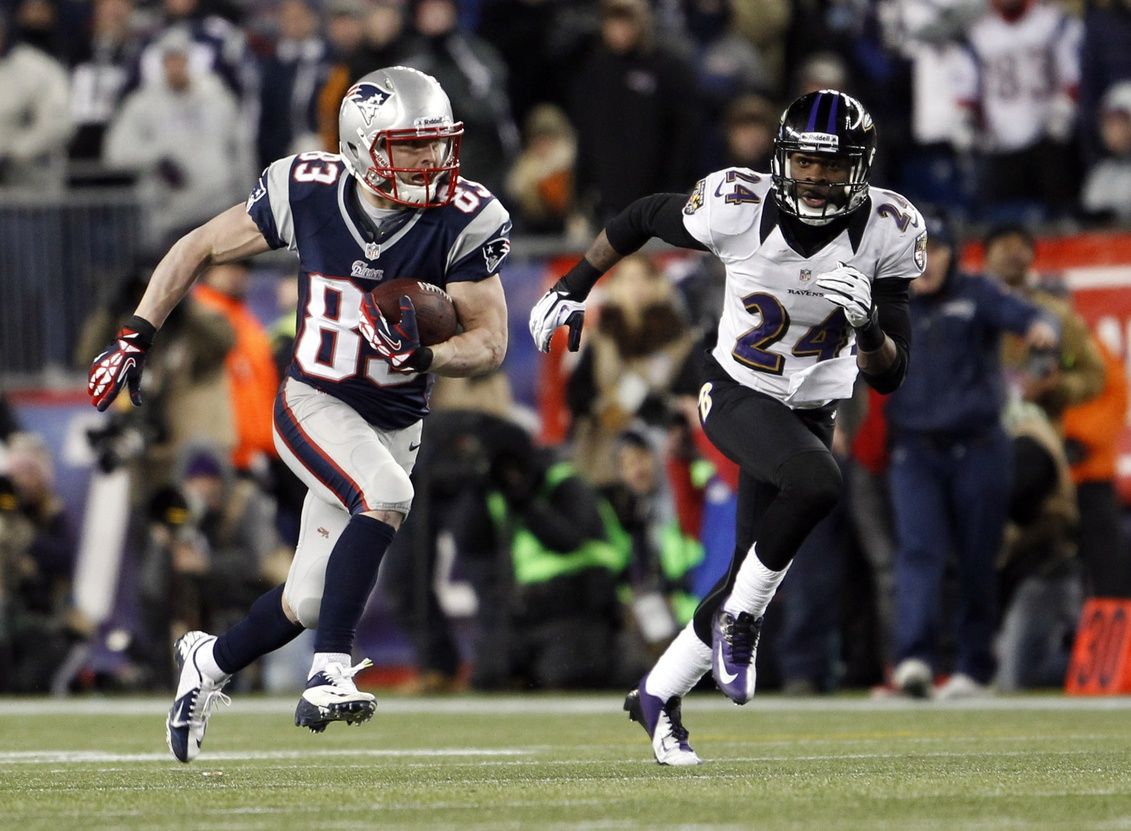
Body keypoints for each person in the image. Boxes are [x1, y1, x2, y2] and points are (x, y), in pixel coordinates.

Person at [87, 65, 510, 763]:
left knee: (308, 598)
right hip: (315, 399)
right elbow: (195, 247)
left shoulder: (463, 216)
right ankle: (329, 670)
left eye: (438, 143)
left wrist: (428, 356)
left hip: (396, 419)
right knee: (386, 496)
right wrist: (137, 332)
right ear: (362, 145)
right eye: (413, 145)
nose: (432, 160)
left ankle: (208, 660)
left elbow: (489, 339)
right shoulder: (305, 190)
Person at [530, 90, 925, 764]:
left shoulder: (890, 227)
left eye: (832, 166)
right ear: (781, 157)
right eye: (804, 161)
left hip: (811, 407)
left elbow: (888, 373)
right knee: (815, 481)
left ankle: (656, 693)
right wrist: (572, 284)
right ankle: (743, 622)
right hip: (735, 389)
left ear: (859, 167)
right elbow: (638, 218)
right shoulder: (737, 205)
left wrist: (866, 328)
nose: (817, 177)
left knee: (750, 564)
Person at [883, 209, 1058, 700]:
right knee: (919, 552)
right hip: (915, 450)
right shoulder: (887, 301)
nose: (926, 261)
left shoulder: (977, 293)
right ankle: (914, 658)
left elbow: (1030, 315)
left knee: (979, 558)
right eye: (918, 251)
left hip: (979, 448)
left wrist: (1045, 329)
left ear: (951, 253)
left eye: (935, 250)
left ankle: (973, 666)